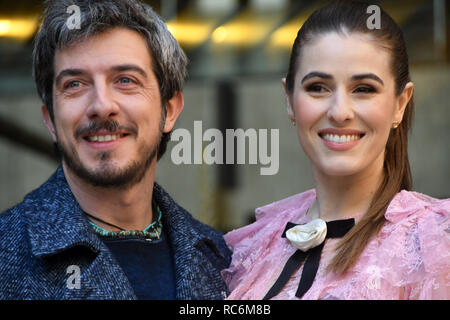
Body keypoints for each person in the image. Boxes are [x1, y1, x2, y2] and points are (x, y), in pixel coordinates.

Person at [0, 0, 231, 300]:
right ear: (51, 120)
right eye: (74, 84)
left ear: (170, 109)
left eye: (125, 80)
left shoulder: (225, 259)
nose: (102, 106)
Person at [222, 1, 450, 300]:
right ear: (289, 100)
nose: (340, 112)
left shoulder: (435, 242)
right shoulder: (253, 246)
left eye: (364, 88)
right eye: (318, 87)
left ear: (400, 103)